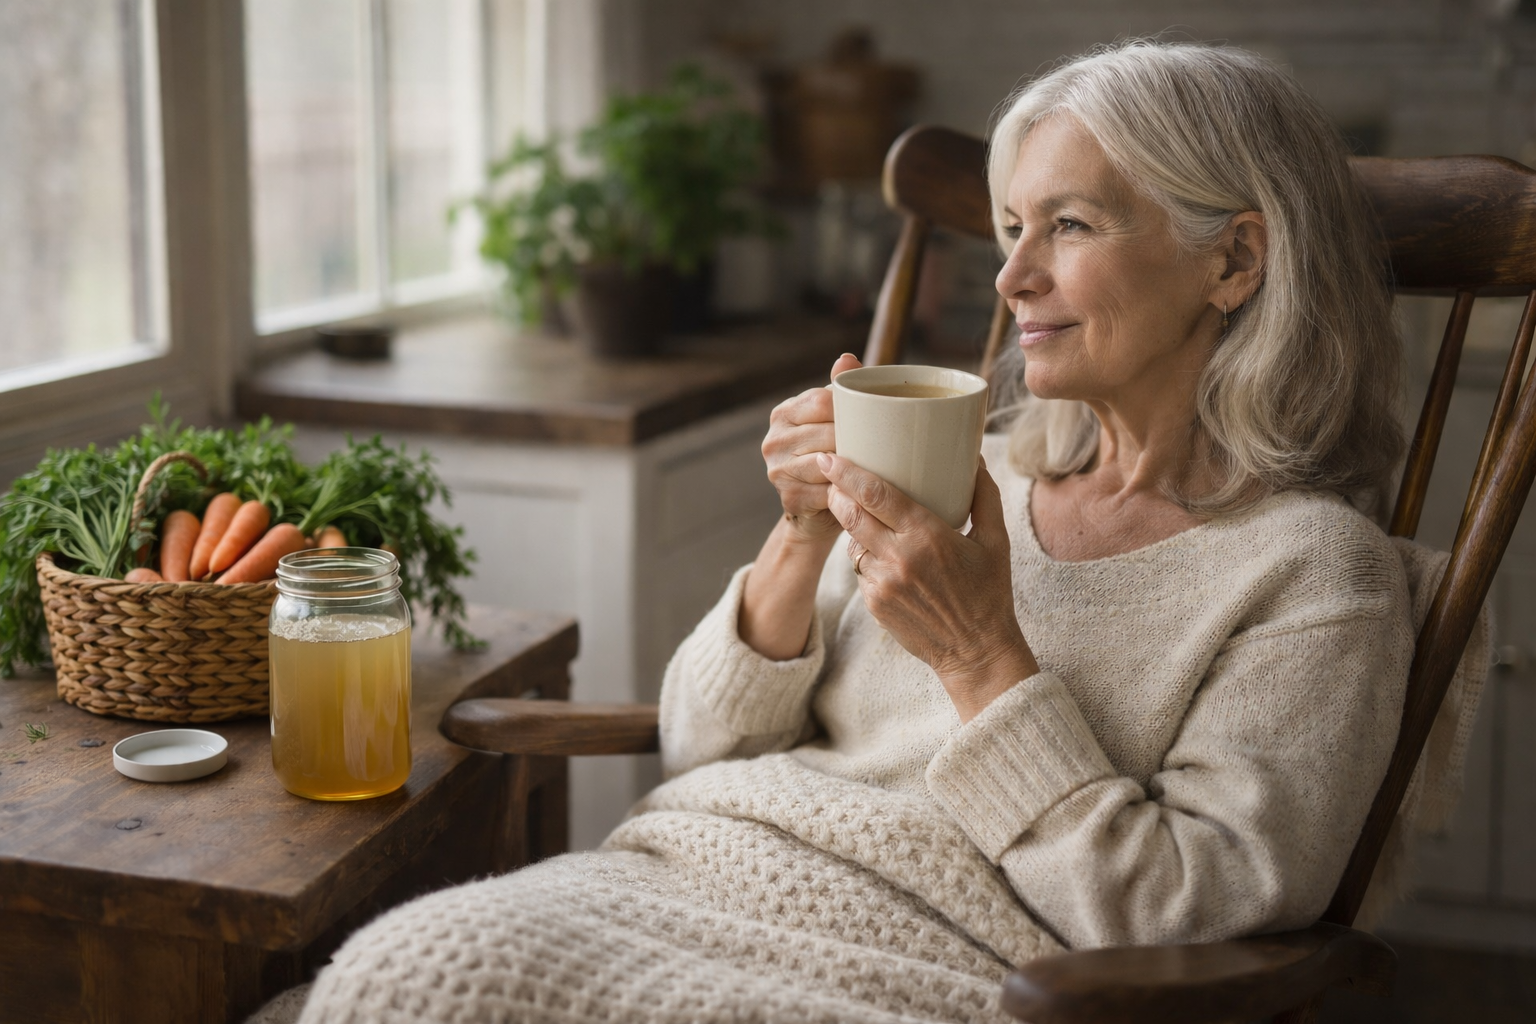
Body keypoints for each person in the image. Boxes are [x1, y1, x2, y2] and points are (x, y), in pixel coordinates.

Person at [267, 41, 1487, 1024]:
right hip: (701, 872)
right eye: (1011, 227)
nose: (1010, 282)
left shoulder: (1314, 575)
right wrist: (798, 538)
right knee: (402, 970)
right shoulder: (972, 471)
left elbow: (1186, 917)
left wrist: (979, 657)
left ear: (1234, 261)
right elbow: (700, 740)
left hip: (962, 969)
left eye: (1068, 225)